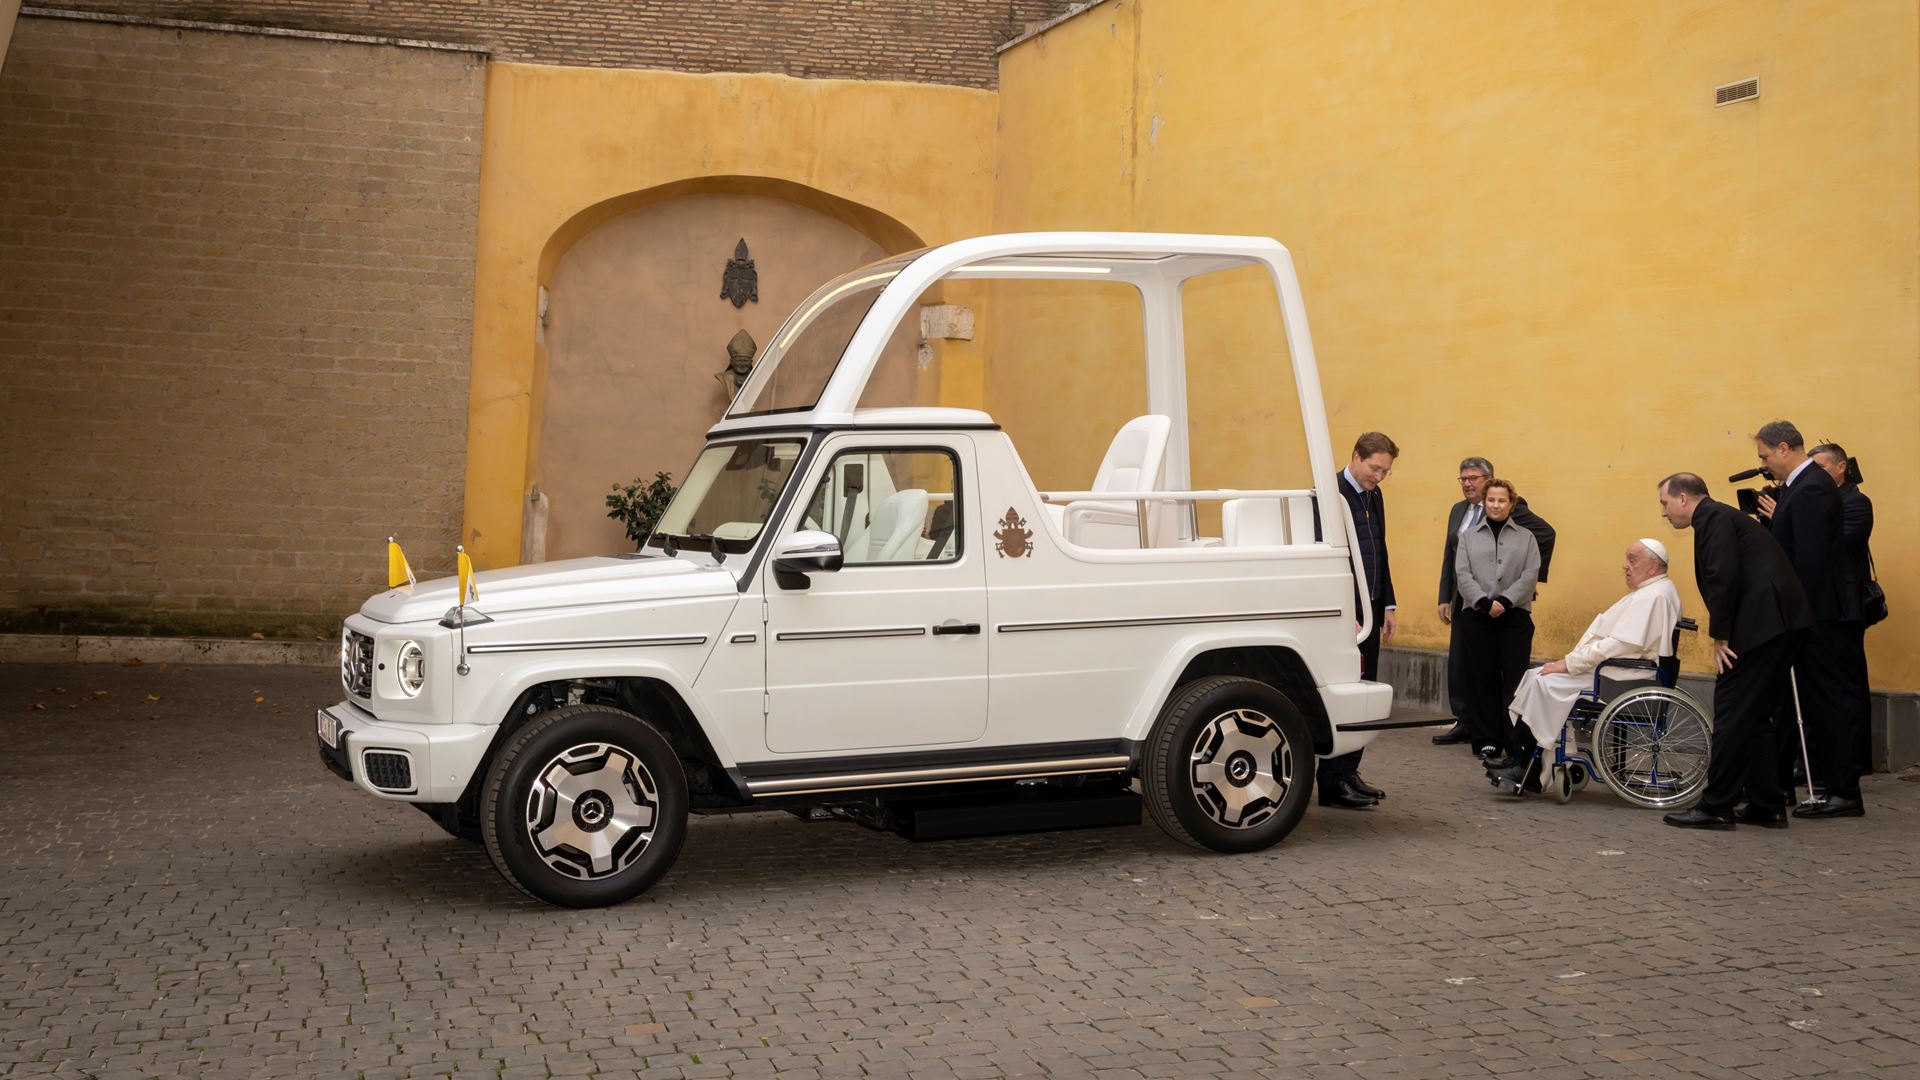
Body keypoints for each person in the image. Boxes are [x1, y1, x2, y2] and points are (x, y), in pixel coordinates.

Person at [1656, 473, 1812, 830]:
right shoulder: (1723, 516)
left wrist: (1720, 636)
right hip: (1782, 624)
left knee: (1729, 711)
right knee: (1755, 715)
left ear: (1683, 498)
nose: (1664, 513)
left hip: (1760, 625)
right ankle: (1767, 804)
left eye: (1665, 503)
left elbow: (1723, 576)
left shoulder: (1712, 517)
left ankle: (1716, 806)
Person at [1484, 539, 1682, 794]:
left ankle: (1526, 768)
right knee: (1537, 676)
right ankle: (1524, 763)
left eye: (1632, 560)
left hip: (1619, 677)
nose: (1625, 566)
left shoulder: (1653, 596)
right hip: (1619, 672)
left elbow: (1617, 646)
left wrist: (1568, 664)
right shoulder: (1655, 591)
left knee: (1544, 682)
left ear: (1653, 566)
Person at [1751, 420, 1863, 818]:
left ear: (1784, 449)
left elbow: (1811, 562)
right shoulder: (1801, 487)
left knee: (1824, 701)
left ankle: (1843, 790)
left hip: (1813, 616)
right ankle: (1781, 785)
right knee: (1794, 699)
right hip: (1804, 613)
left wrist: (1797, 614)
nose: (1763, 465)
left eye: (1765, 456)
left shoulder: (1812, 486)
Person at [1434, 456, 1557, 752]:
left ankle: (1508, 735)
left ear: (1488, 480)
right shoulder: (1458, 511)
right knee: (1466, 666)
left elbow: (1543, 537)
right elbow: (1453, 558)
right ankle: (1468, 722)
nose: (1467, 484)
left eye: (1473, 478)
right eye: (1463, 479)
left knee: (1506, 674)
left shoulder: (1515, 508)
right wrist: (1445, 595)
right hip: (1468, 599)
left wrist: (1521, 586)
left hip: (1509, 605)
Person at [1318, 431, 1399, 810]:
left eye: (1385, 471)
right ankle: (1332, 783)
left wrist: (1388, 604)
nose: (1378, 477)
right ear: (1355, 456)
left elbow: (1378, 550)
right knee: (1346, 694)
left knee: (1364, 693)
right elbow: (1326, 560)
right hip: (1346, 617)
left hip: (1371, 609)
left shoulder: (1374, 494)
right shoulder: (1329, 494)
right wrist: (1344, 610)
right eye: (1374, 468)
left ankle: (1350, 772)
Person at [1451, 479, 1540, 767]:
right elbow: (1462, 573)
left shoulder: (1526, 537)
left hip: (1514, 617)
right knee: (1483, 680)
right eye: (1491, 500)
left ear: (1511, 503)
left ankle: (1516, 741)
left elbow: (1530, 574)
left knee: (1514, 682)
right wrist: (1483, 602)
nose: (1496, 505)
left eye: (1502, 500)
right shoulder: (1469, 537)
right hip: (1478, 616)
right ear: (1484, 502)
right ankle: (1487, 739)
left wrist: (1505, 601)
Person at [1810, 441, 1875, 777]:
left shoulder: (1856, 502)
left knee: (1848, 684)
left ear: (1841, 467)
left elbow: (1834, 545)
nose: (1816, 475)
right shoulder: (1820, 502)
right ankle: (1826, 757)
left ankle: (1855, 760)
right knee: (1827, 685)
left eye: (1821, 468)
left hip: (1846, 608)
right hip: (1823, 605)